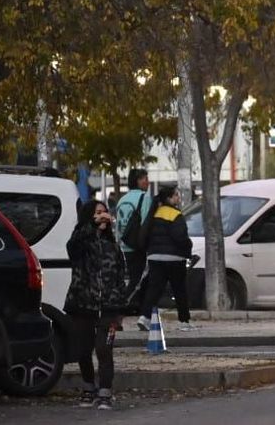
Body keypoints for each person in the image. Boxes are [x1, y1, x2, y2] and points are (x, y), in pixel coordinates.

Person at [65, 199, 127, 410]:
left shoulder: (113, 247)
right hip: (82, 304)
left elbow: (121, 277)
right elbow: (72, 247)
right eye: (97, 213)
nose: (102, 216)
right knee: (83, 350)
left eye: (104, 212)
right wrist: (91, 226)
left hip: (108, 307)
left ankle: (105, 392)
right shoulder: (81, 243)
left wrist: (119, 306)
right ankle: (89, 387)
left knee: (104, 349)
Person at [141, 186, 196, 331]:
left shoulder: (154, 213)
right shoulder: (175, 214)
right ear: (169, 198)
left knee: (154, 289)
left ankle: (145, 317)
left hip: (154, 257)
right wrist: (188, 246)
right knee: (179, 290)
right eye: (176, 195)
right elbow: (180, 237)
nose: (178, 198)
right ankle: (184, 321)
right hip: (174, 258)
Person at [114, 168, 154, 329]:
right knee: (137, 283)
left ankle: (140, 316)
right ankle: (119, 316)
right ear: (137, 181)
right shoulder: (144, 198)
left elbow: (118, 226)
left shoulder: (121, 200)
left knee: (130, 282)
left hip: (124, 246)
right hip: (138, 247)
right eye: (144, 178)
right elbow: (146, 223)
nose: (147, 181)